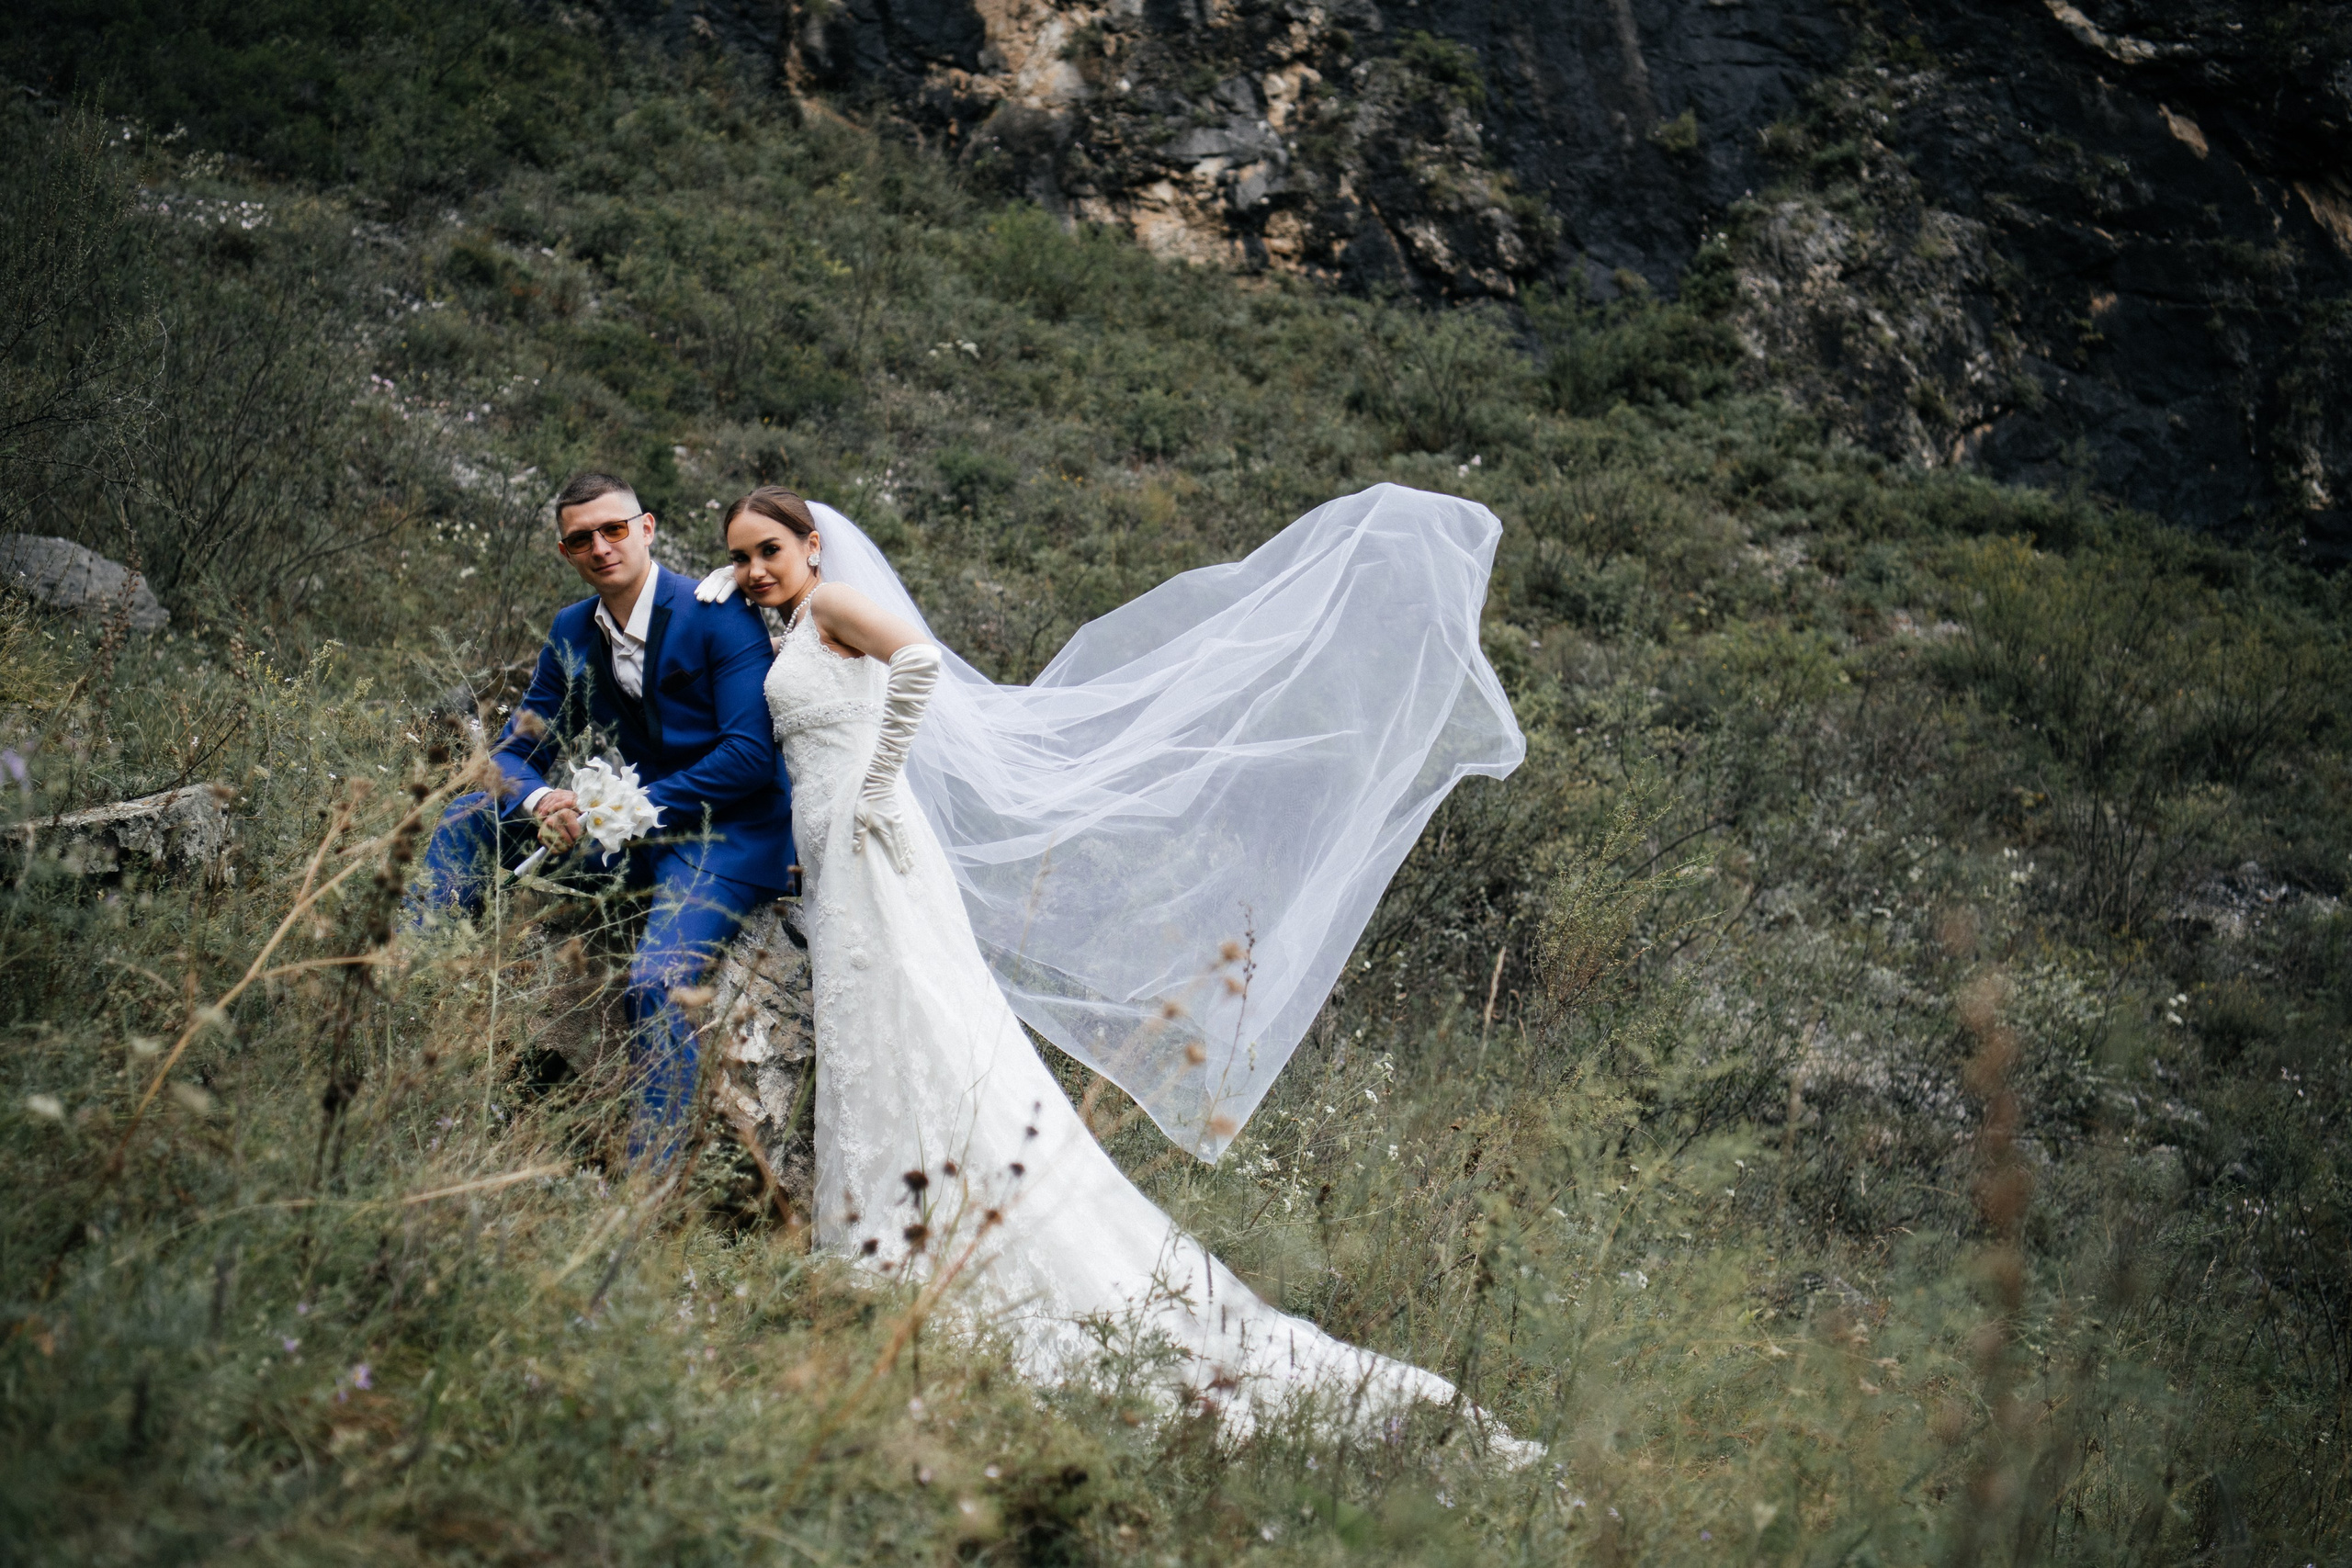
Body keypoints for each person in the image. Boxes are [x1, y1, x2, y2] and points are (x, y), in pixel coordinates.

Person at [702, 484, 1535, 1455]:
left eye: (769, 550)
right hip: (830, 850)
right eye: (742, 557)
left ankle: (913, 1245)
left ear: (813, 545)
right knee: (872, 1027)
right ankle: (881, 1236)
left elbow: (919, 663)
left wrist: (879, 782)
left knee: (915, 1015)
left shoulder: (835, 607)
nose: (756, 570)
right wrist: (723, 582)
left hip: (873, 834)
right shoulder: (784, 616)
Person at [410, 471, 795, 1152]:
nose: (601, 547)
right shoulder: (570, 631)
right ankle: (413, 986)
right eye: (581, 538)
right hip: (626, 832)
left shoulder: (718, 613)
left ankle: (649, 1184)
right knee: (467, 818)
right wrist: (545, 798)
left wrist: (625, 804)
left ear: (646, 528)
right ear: (566, 552)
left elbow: (748, 757)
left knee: (653, 982)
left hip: (722, 833)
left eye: (614, 529)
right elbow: (513, 752)